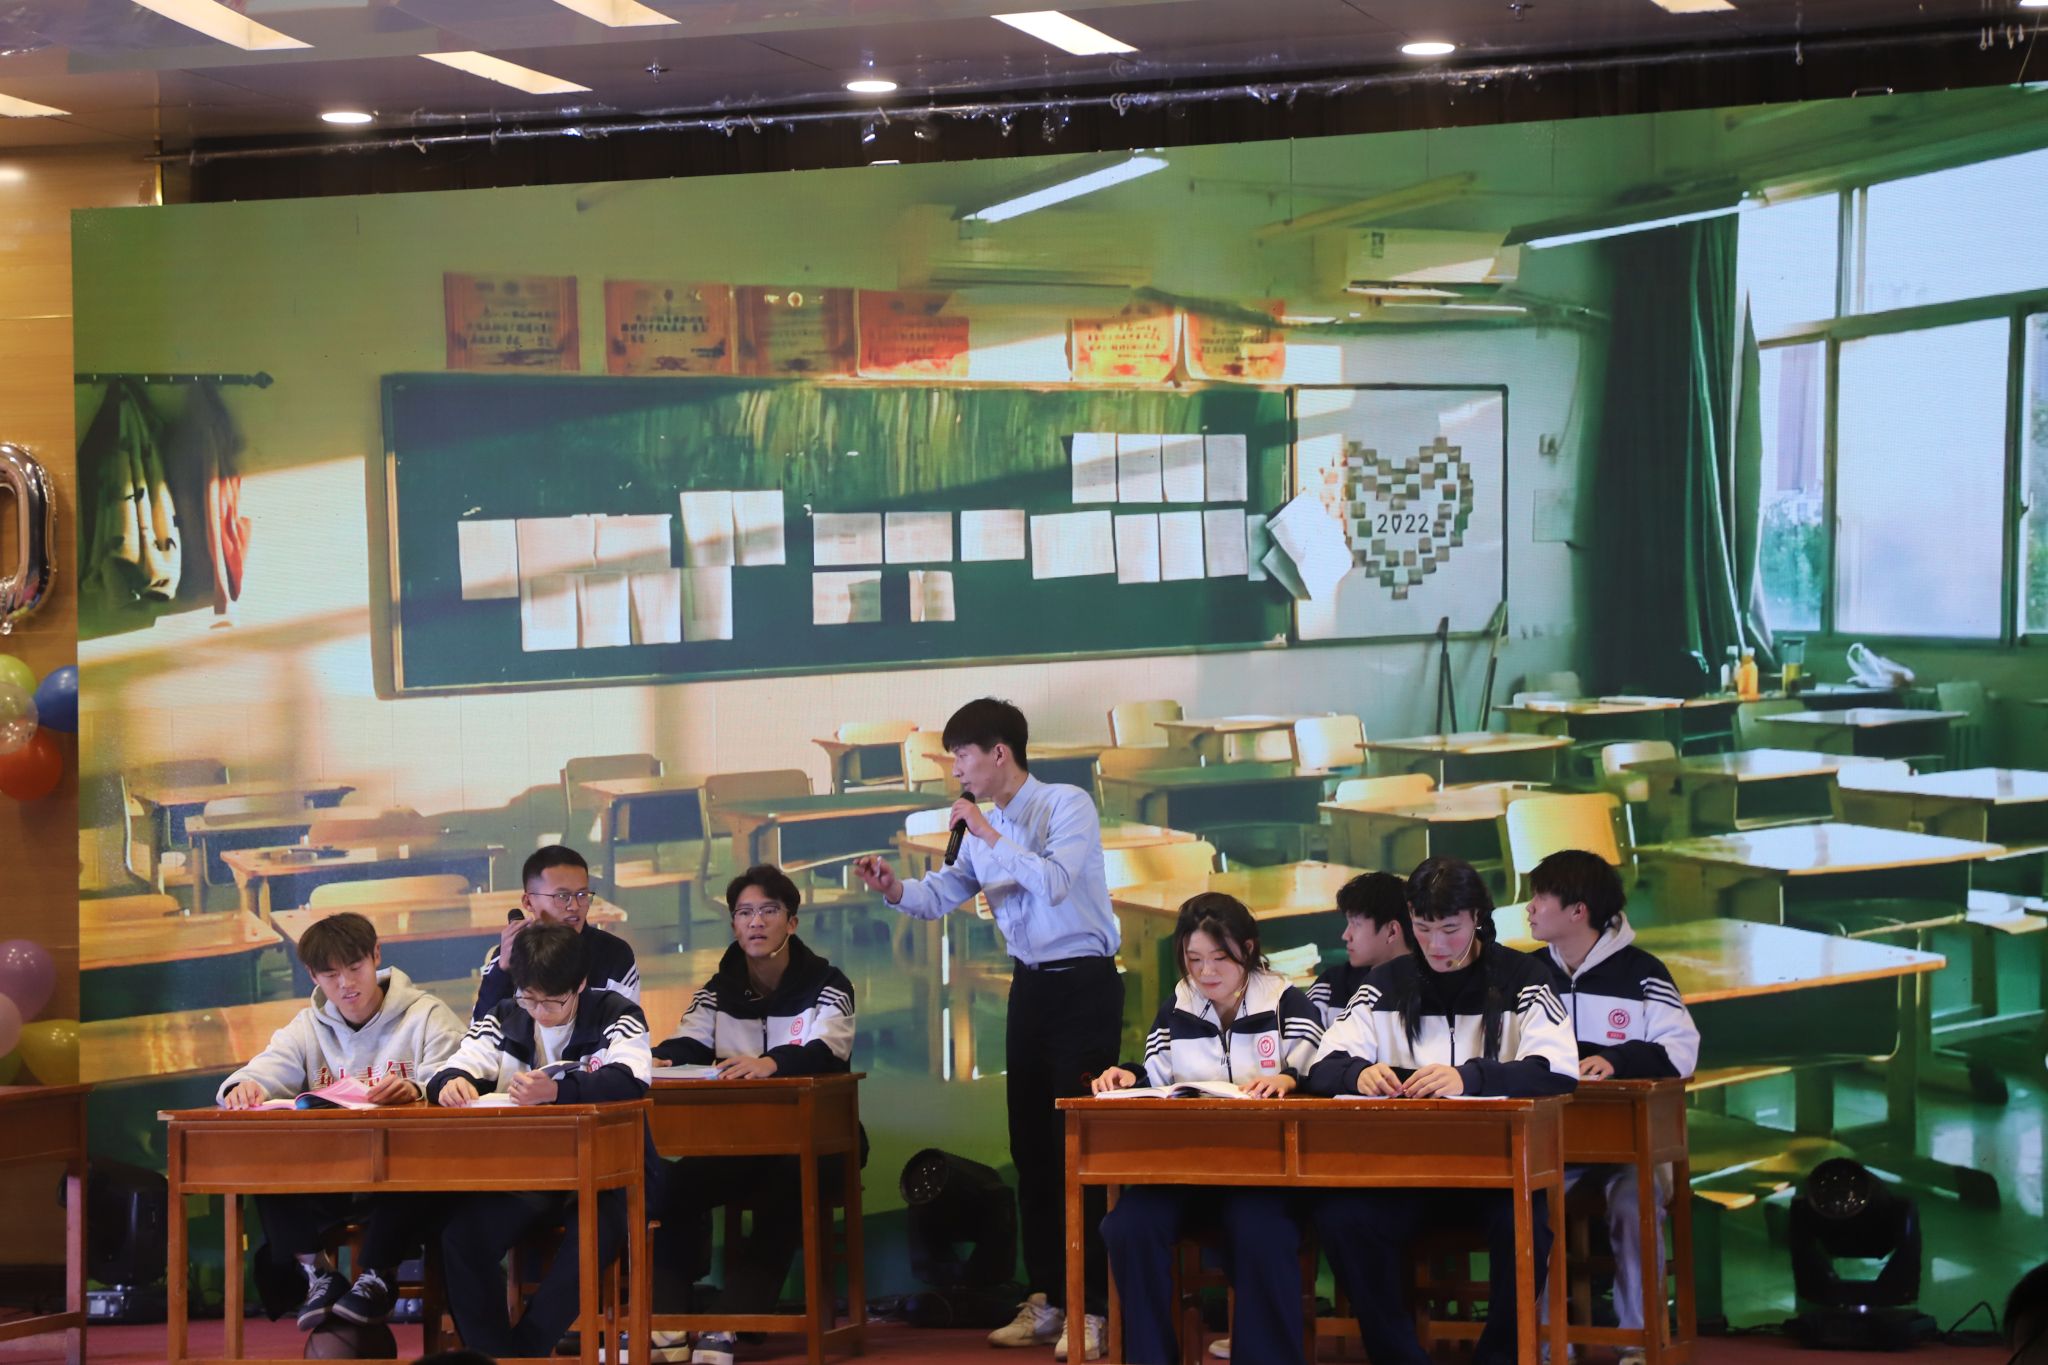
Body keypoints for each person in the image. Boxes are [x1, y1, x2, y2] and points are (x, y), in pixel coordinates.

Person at [853, 697, 1120, 1361]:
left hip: (1084, 987)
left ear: (999, 752)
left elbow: (1054, 882)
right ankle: (1049, 1297)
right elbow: (943, 892)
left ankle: (1093, 1307)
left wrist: (988, 833)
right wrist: (894, 889)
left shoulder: (1065, 805)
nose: (957, 771)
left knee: (1074, 1149)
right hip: (1029, 989)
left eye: (963, 757)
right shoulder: (981, 827)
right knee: (1030, 1150)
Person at [1305, 857, 1578, 1365]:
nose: (1436, 945)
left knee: (1524, 1225)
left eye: (1450, 929)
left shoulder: (1525, 978)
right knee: (1342, 1219)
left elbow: (1558, 1070)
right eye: (1423, 928)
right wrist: (1356, 1074)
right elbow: (1323, 1066)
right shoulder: (1384, 982)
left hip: (1498, 1175)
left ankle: (1499, 1359)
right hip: (1402, 1174)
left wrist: (1471, 1078)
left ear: (1477, 918)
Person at [1092, 893, 1322, 1365]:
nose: (1206, 972)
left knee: (1261, 1230)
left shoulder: (1285, 1001)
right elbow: (1158, 1075)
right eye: (1194, 959)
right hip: (1187, 1170)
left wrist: (1289, 1080)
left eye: (1219, 958)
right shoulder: (1179, 1005)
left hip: (1265, 1175)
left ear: (1247, 948)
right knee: (1128, 1226)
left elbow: (1320, 1071)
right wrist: (1128, 1076)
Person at [648, 864, 860, 1365]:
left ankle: (729, 1321)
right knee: (674, 1186)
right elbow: (689, 1041)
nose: (756, 922)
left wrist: (772, 1063)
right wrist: (661, 1058)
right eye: (744, 913)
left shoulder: (828, 984)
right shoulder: (717, 989)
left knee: (790, 1181)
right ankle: (667, 1320)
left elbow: (828, 1049)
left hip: (821, 1139)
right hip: (741, 1143)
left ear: (792, 921)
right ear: (734, 925)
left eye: (768, 911)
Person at [217, 911, 463, 1331]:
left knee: (412, 1167)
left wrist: (418, 1090)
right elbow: (266, 1068)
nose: (346, 984)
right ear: (313, 976)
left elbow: (457, 1074)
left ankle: (377, 1277)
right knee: (264, 1167)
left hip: (405, 1179)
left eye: (355, 967)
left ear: (376, 956)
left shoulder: (426, 1014)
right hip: (332, 1174)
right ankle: (318, 1273)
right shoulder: (308, 1026)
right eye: (331, 975)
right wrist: (243, 1086)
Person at [429, 921, 654, 1359]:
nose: (540, 1011)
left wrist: (557, 1092)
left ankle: (524, 1352)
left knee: (597, 1233)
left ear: (581, 984)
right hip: (525, 1172)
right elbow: (456, 1064)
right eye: (529, 998)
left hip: (607, 1172)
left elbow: (631, 1079)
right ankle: (493, 1355)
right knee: (462, 1236)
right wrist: (450, 1083)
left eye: (553, 1000)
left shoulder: (616, 1012)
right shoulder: (505, 1015)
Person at [1526, 849, 1700, 1365]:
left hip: (1631, 1151)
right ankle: (1544, 1343)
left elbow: (1681, 1051)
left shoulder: (1643, 974)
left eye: (1540, 897)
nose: (1529, 908)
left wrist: (1616, 1059)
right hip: (1554, 1151)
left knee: (1634, 1203)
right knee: (1528, 1206)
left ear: (1578, 911)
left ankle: (1637, 1343)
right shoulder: (1527, 975)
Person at [472, 845, 638, 1019]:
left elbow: (628, 1028)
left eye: (582, 895)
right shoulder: (511, 953)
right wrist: (502, 971)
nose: (575, 906)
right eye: (562, 897)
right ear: (528, 902)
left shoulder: (614, 955)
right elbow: (479, 1030)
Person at [1307, 871, 1411, 1026]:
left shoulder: (1431, 990)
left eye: (1355, 924)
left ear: (1391, 931)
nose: (1345, 935)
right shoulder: (1331, 987)